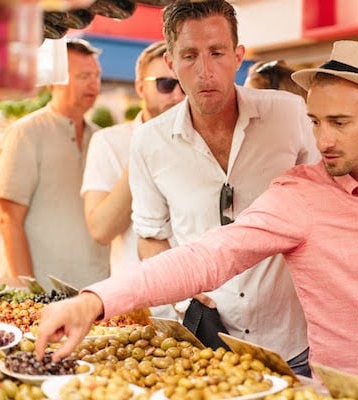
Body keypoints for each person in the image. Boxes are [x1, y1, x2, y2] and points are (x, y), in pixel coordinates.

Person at [37, 39, 358, 399]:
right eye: (314, 122)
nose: (323, 140)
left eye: (339, 122)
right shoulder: (299, 196)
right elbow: (209, 256)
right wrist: (94, 302)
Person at [128, 0, 316, 375]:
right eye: (189, 56)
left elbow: (327, 207)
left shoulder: (290, 115)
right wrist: (181, 296)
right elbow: (150, 237)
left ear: (238, 56)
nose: (205, 71)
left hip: (294, 340)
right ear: (170, 62)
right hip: (204, 347)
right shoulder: (149, 141)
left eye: (217, 53)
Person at [0, 38, 109, 291]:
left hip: (94, 291)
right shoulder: (26, 132)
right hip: (38, 293)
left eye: (97, 75)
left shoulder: (101, 138)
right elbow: (8, 217)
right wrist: (29, 291)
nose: (94, 84)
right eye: (84, 75)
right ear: (55, 80)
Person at [80, 40, 185, 319]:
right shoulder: (110, 142)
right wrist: (144, 150)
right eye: (165, 84)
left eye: (184, 84)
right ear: (140, 88)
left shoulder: (200, 140)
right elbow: (101, 230)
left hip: (199, 306)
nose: (177, 95)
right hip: (140, 309)